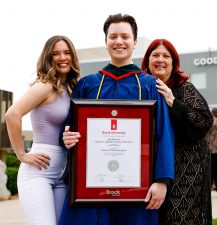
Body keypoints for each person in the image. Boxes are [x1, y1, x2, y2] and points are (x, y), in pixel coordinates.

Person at [59, 14, 174, 225]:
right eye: (113, 36)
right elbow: (68, 131)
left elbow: (163, 136)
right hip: (91, 189)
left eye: (125, 36)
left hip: (138, 189)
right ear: (106, 42)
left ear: (135, 42)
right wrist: (67, 138)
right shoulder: (88, 84)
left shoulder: (150, 86)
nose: (119, 41)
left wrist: (162, 181)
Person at [5, 35, 80, 225]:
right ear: (49, 57)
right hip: (39, 172)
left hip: (63, 174)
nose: (62, 57)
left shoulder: (71, 88)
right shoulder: (45, 85)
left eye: (66, 52)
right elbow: (12, 114)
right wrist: (22, 154)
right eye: (56, 53)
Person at [141, 39, 213, 225]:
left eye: (166, 56)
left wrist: (173, 102)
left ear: (173, 63)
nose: (160, 60)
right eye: (155, 55)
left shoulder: (184, 88)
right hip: (154, 166)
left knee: (178, 218)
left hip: (187, 167)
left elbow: (205, 121)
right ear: (147, 61)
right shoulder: (142, 88)